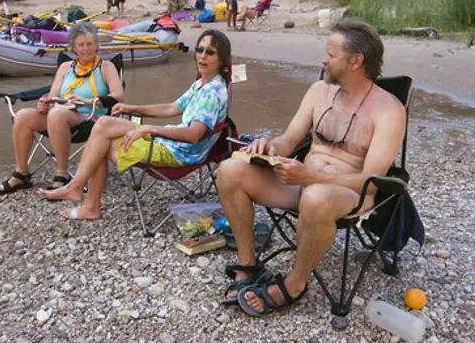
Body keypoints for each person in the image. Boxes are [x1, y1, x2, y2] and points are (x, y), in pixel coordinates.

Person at [216, 18, 406, 316]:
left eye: (331, 55)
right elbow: (290, 139)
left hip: (349, 193)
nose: (323, 59)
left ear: (356, 61)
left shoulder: (389, 110)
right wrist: (269, 147)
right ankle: (249, 263)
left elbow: (371, 179)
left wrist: (310, 176)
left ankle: (294, 284)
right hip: (301, 183)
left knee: (317, 196)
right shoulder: (319, 91)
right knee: (229, 170)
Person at [37, 29, 231, 221]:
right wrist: (131, 107)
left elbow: (193, 135)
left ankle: (85, 200)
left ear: (222, 58)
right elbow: (172, 107)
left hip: (179, 152)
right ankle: (79, 192)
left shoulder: (211, 92)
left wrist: (150, 128)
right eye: (200, 50)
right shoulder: (202, 84)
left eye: (210, 52)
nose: (202, 56)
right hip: (172, 141)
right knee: (103, 125)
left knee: (100, 142)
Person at [0, 23, 124, 194]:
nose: (86, 48)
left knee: (57, 114)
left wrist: (88, 101)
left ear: (96, 45)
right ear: (74, 48)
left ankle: (62, 174)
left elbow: (118, 95)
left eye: (89, 44)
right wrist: (44, 102)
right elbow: (53, 94)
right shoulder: (65, 68)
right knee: (23, 116)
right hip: (60, 114)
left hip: (91, 118)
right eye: (81, 45)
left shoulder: (106, 67)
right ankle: (21, 173)